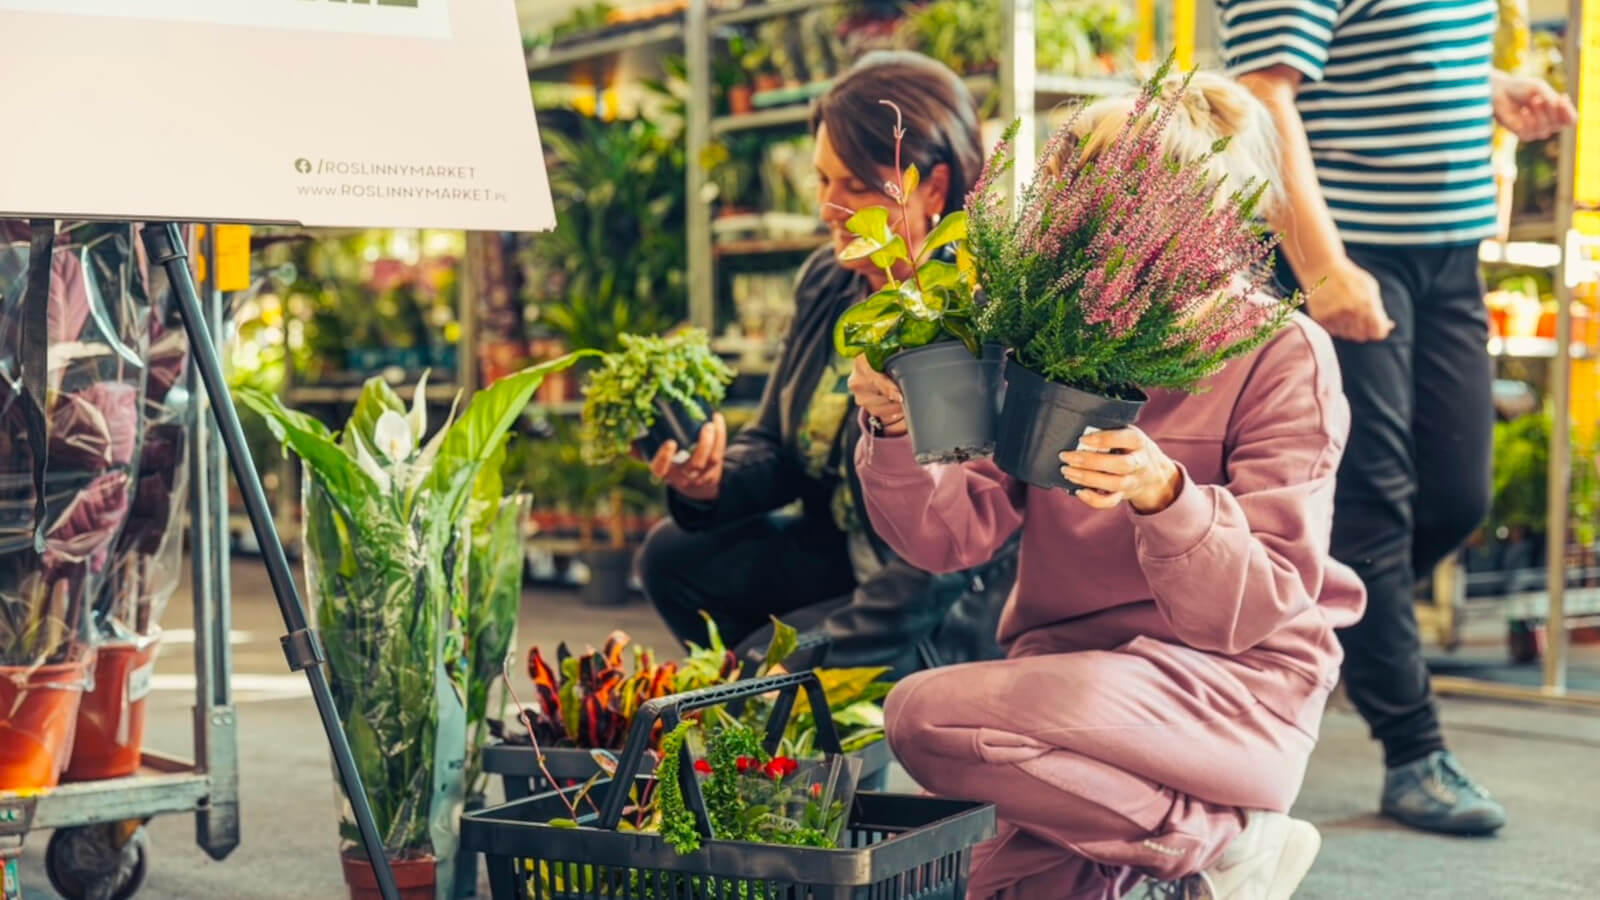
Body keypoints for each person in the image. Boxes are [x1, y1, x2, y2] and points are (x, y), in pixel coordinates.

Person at [849, 73, 1361, 899]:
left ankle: (1218, 841)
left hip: (1231, 686)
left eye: (1078, 190)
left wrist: (1169, 497)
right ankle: (1194, 858)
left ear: (1178, 210)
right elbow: (949, 539)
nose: (1052, 209)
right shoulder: (1035, 333)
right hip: (1068, 684)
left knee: (922, 715)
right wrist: (898, 431)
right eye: (1057, 184)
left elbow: (1262, 601)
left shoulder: (1281, 352)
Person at [1219, 0, 1576, 835]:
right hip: (1348, 245)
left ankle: (1280, 628)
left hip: (1449, 247)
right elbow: (1264, 96)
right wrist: (1323, 266)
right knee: (1372, 503)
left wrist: (1482, 86)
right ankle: (1413, 750)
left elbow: (1383, 46)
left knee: (1457, 497)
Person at [638, 51, 1015, 678]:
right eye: (821, 181)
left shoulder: (975, 304)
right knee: (674, 558)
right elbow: (779, 447)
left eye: (857, 187)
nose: (827, 208)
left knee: (765, 669)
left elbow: (955, 548)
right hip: (844, 553)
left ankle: (826, 707)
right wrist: (711, 482)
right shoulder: (832, 281)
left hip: (935, 600)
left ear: (935, 187)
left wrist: (808, 649)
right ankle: (798, 718)